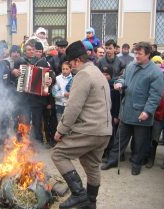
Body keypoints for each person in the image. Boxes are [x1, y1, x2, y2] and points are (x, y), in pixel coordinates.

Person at [51, 40, 111, 209]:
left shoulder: (83, 75)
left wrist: (60, 130)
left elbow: (73, 107)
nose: (71, 67)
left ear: (77, 60)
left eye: (70, 64)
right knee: (92, 166)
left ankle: (79, 195)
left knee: (58, 154)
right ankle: (90, 203)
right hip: (104, 131)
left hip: (90, 129)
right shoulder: (97, 72)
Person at [101, 42, 164, 175]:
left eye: (139, 53)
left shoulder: (156, 72)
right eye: (135, 53)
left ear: (148, 54)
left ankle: (136, 163)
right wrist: (119, 83)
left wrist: (147, 111)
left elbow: (155, 96)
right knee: (119, 139)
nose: (136, 55)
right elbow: (123, 78)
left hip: (141, 114)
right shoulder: (131, 65)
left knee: (140, 143)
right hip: (126, 110)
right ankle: (112, 160)